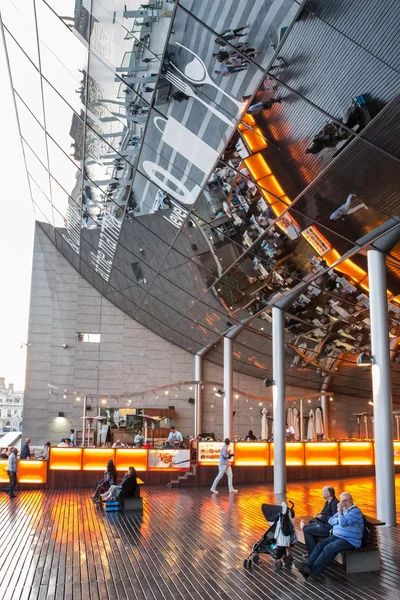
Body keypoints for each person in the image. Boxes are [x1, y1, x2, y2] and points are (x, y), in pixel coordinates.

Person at [294, 492, 364, 579]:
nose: (343, 503)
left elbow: (342, 523)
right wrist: (339, 520)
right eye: (342, 501)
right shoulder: (344, 511)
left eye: (346, 501)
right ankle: (307, 565)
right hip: (339, 536)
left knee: (330, 547)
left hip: (351, 540)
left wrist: (340, 513)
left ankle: (313, 572)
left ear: (351, 500)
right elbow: (331, 520)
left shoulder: (355, 511)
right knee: (321, 545)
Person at [302, 486, 339, 555]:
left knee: (306, 530)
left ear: (329, 494)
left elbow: (335, 519)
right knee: (306, 527)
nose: (322, 493)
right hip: (323, 524)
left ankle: (313, 553)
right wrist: (318, 515)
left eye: (323, 491)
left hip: (328, 527)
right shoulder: (327, 502)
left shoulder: (335, 503)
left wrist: (322, 517)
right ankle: (312, 551)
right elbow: (324, 513)